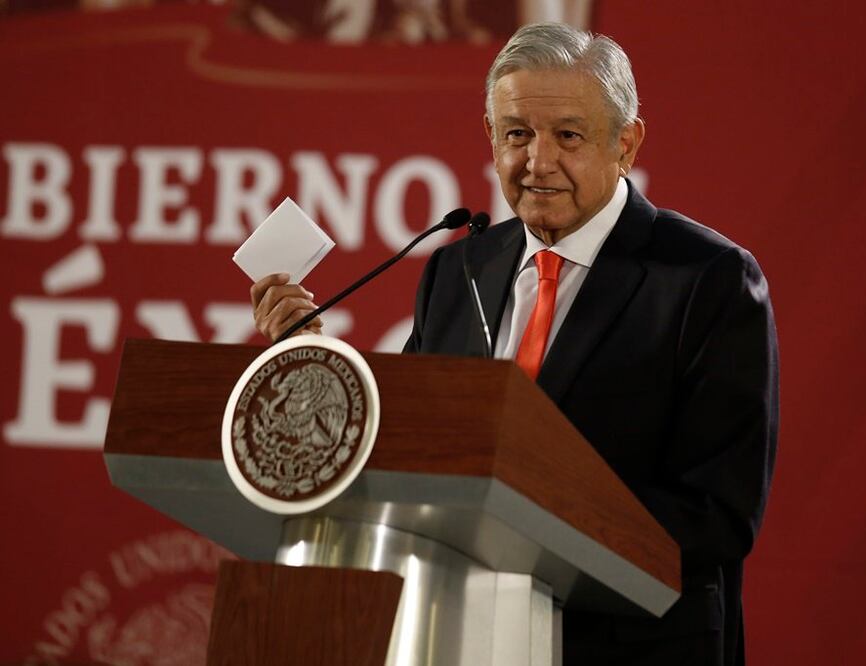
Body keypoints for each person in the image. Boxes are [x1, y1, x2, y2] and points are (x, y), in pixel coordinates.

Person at [252, 22, 778, 666]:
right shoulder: (456, 270)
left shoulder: (708, 278)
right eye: (517, 135)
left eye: (569, 136)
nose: (538, 162)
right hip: (456, 632)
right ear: (490, 138)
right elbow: (412, 447)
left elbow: (717, 513)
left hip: (627, 645)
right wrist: (316, 365)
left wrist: (525, 528)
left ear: (627, 143)